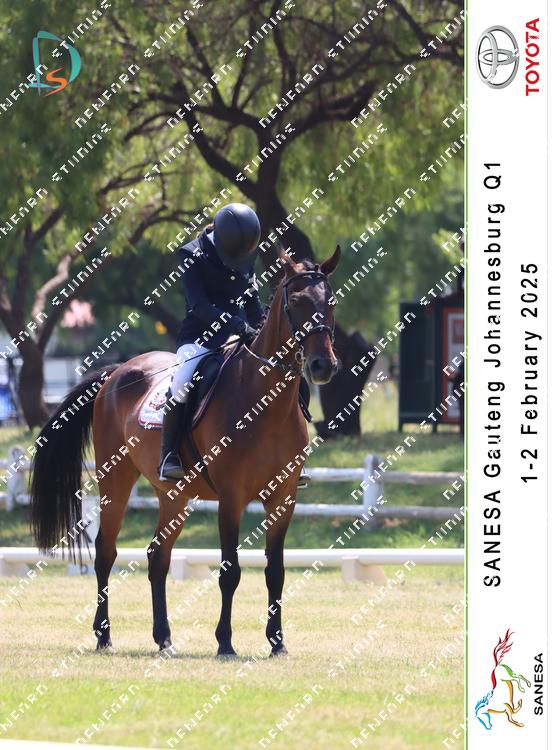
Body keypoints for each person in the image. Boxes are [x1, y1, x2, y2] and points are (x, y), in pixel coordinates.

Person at [158, 202, 265, 480]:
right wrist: (237, 324)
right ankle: (169, 454)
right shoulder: (191, 254)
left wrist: (264, 329)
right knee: (181, 383)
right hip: (199, 337)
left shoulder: (245, 252)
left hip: (240, 337)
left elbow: (253, 303)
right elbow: (199, 306)